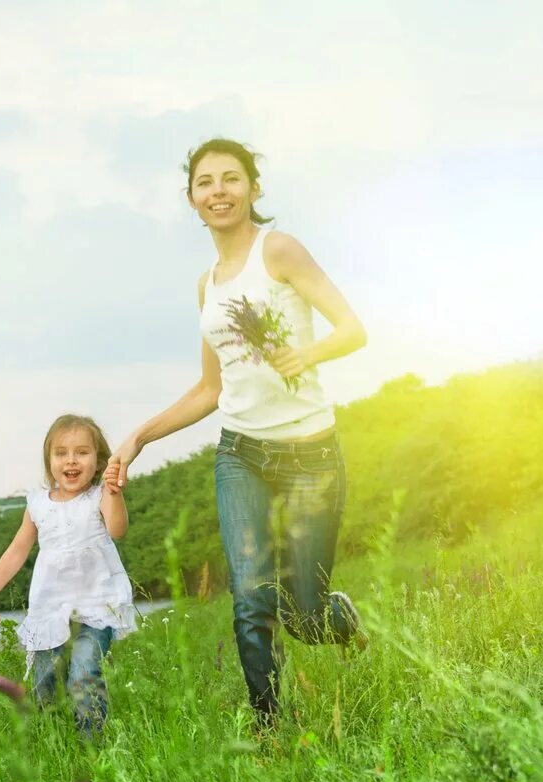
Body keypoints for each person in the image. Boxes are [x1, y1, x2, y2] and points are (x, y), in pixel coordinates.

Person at [106, 138, 368, 728]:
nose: (218, 191)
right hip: (241, 455)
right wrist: (139, 438)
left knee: (303, 615)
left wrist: (309, 353)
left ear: (253, 189)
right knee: (251, 597)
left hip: (310, 456)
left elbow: (353, 330)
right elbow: (209, 389)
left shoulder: (278, 250)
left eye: (231, 179)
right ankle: (271, 730)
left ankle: (340, 618)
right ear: (192, 199)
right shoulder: (209, 285)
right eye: (205, 182)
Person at [0, 415, 135, 737]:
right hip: (51, 609)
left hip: (97, 606)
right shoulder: (37, 504)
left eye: (82, 452)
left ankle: (93, 743)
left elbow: (118, 530)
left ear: (99, 460)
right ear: (49, 462)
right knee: (45, 685)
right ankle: (50, 743)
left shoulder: (100, 496)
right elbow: (17, 550)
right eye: (61, 453)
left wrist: (115, 493)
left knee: (83, 672)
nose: (71, 460)